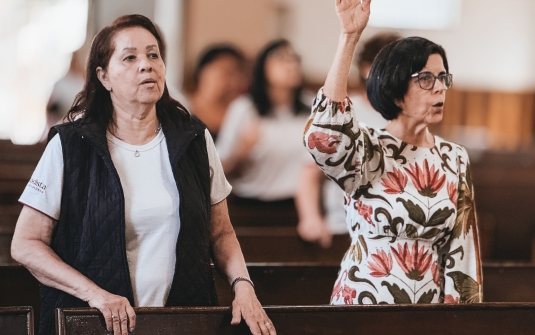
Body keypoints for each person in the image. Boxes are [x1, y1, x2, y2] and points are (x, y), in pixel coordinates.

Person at [11, 15, 276, 335]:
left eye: (153, 55)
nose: (146, 65)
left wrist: (243, 285)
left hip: (182, 320)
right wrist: (95, 295)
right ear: (104, 76)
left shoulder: (193, 139)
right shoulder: (70, 145)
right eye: (130, 57)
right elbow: (26, 244)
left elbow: (221, 233)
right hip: (98, 322)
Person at [303, 0, 482, 304]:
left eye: (443, 78)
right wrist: (348, 37)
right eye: (426, 79)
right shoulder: (368, 149)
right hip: (362, 302)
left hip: (427, 311)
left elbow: (463, 253)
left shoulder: (455, 158)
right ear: (395, 86)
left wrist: (461, 321)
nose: (440, 88)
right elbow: (324, 135)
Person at [296, 33, 400, 248]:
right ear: (366, 68)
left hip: (394, 232)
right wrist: (311, 218)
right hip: (343, 229)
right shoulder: (344, 113)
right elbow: (309, 174)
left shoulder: (410, 116)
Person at [216, 39, 311, 224]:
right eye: (281, 59)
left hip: (296, 207)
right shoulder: (244, 108)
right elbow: (220, 169)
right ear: (262, 67)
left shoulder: (312, 107)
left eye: (295, 59)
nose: (291, 65)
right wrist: (242, 150)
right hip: (251, 206)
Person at [188, 45, 248, 142]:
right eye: (227, 73)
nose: (234, 81)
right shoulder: (181, 109)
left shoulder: (242, 113)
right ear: (203, 71)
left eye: (238, 74)